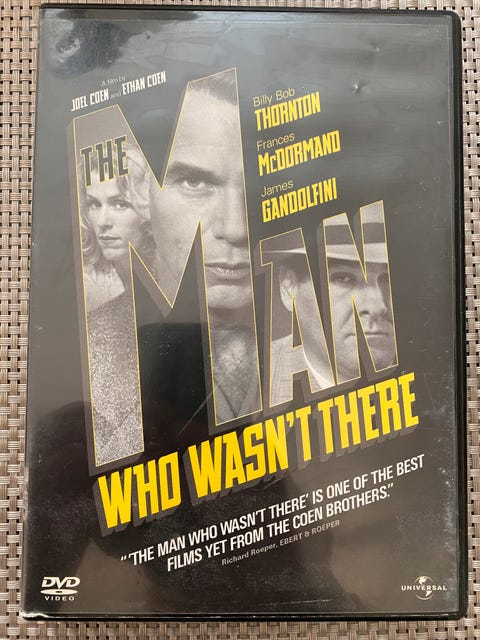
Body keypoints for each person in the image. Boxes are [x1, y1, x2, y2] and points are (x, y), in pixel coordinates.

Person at [271, 205, 397, 405]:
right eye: (343, 278)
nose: (378, 306)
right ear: (289, 287)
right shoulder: (249, 386)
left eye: (387, 279)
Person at [79, 143, 155, 312]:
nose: (102, 222)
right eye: (94, 204)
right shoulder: (85, 287)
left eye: (120, 204)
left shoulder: (178, 275)